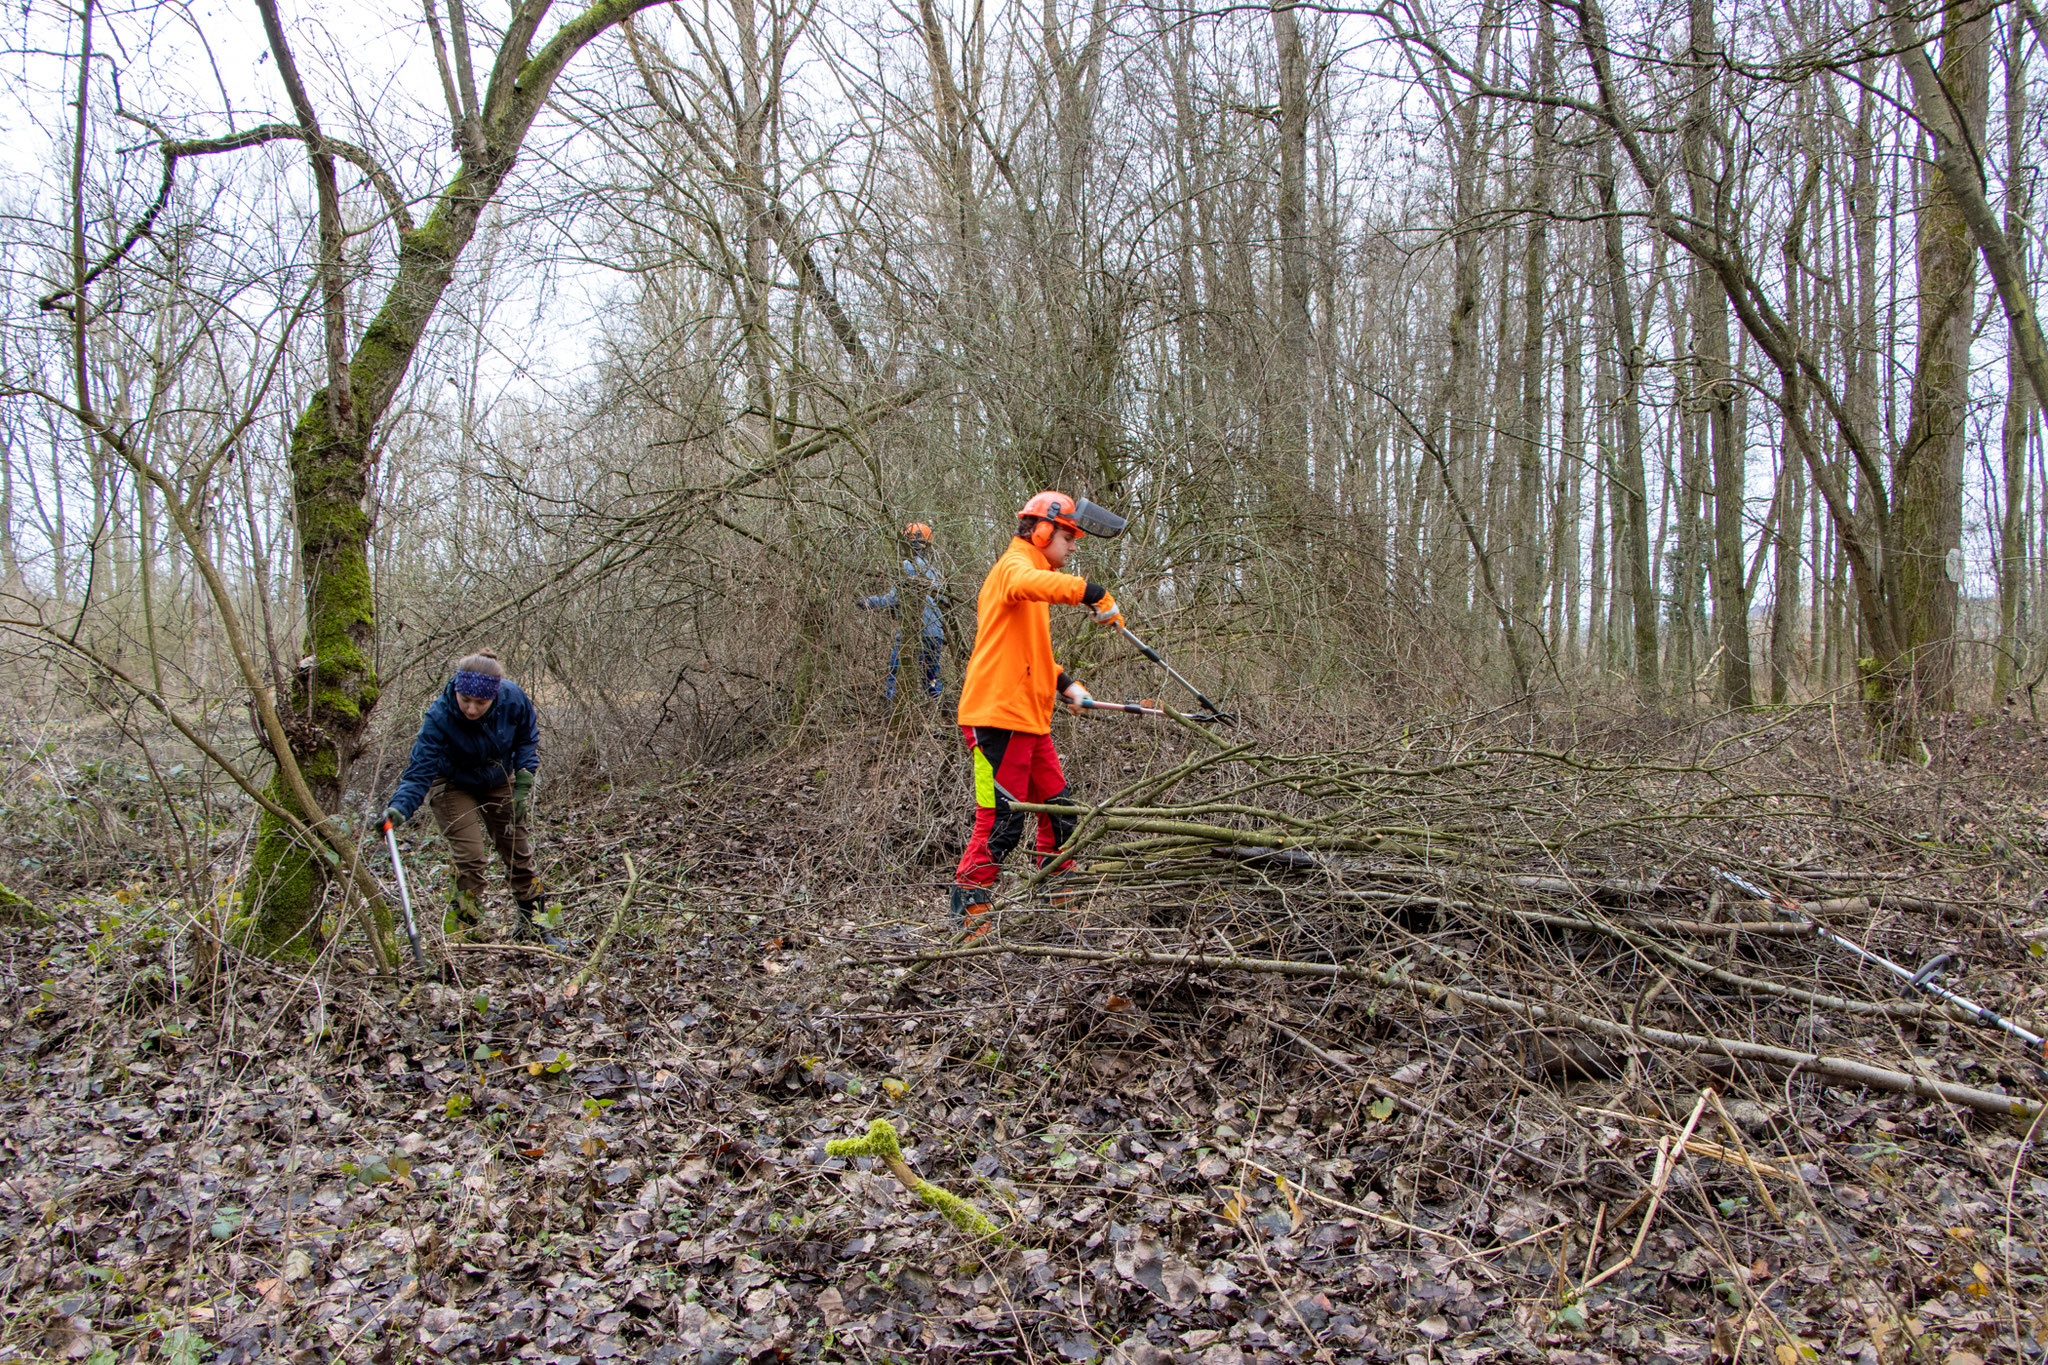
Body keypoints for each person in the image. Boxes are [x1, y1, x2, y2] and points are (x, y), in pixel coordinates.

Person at [950, 491, 1127, 929]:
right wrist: (1093, 593)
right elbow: (1032, 583)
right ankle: (970, 912)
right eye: (1069, 537)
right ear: (1043, 530)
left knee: (1059, 811)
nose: (1073, 547)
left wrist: (1066, 685)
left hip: (1029, 721)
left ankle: (1057, 895)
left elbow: (1033, 656)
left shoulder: (1033, 581)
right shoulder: (1015, 568)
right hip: (995, 719)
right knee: (1001, 823)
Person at [374, 649, 565, 947]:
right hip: (451, 782)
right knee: (472, 859)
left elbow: (527, 737)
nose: (472, 709)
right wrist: (400, 809)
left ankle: (534, 926)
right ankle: (465, 931)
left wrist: (524, 779)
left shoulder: (513, 698)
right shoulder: (439, 716)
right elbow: (419, 771)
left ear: (494, 696)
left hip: (498, 776)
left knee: (518, 852)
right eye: (466, 700)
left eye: (480, 703)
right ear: (457, 691)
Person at [856, 522, 946, 700]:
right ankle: (943, 712)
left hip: (913, 631)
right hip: (935, 633)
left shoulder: (908, 566)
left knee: (895, 678)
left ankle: (893, 718)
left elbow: (895, 598)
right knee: (931, 679)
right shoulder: (933, 570)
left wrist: (868, 602)